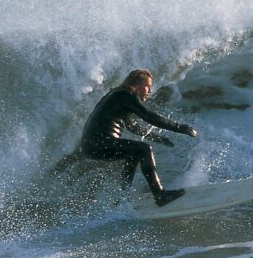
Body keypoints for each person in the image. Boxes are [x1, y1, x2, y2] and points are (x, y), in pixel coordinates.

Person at [79, 69, 198, 206]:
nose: (149, 91)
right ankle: (160, 195)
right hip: (100, 143)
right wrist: (181, 128)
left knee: (134, 153)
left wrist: (159, 138)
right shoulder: (126, 94)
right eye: (148, 86)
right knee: (144, 149)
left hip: (91, 146)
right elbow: (149, 117)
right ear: (138, 84)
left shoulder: (117, 96)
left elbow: (133, 127)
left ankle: (121, 199)